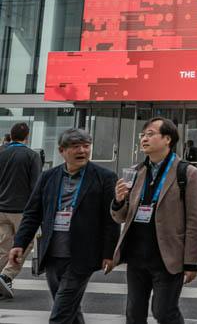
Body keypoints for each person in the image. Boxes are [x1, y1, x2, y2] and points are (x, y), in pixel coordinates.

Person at [7, 128, 119, 323]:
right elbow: (33, 213)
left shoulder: (105, 177)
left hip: (83, 255)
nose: (82, 151)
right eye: (75, 146)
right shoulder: (48, 177)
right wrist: (19, 244)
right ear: (62, 150)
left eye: (86, 146)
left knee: (61, 313)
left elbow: (111, 218)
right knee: (70, 309)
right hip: (52, 253)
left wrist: (109, 253)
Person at [111, 117, 197, 324]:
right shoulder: (136, 171)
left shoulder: (187, 173)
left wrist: (191, 263)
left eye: (150, 134)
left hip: (167, 257)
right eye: (142, 135)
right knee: (134, 313)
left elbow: (195, 222)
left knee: (164, 312)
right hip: (136, 256)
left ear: (167, 139)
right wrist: (118, 201)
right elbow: (121, 216)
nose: (144, 139)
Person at [0, 122, 42, 298]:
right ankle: (6, 275)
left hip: (1, 209)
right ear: (27, 137)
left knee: (3, 245)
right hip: (21, 210)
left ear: (11, 135)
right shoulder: (32, 156)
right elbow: (36, 186)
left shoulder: (1, 152)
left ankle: (1, 279)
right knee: (25, 243)